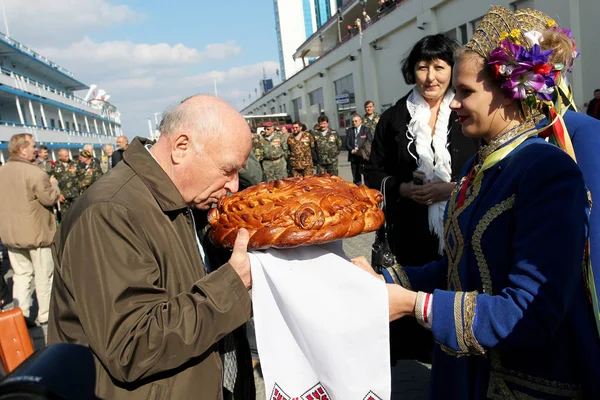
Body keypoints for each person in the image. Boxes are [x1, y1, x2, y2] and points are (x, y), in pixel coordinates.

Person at [355, 6, 600, 398]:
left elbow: (531, 312)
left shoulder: (548, 171)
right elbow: (461, 265)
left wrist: (414, 305)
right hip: (469, 376)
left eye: (465, 92)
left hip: (523, 383)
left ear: (508, 91)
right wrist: (386, 280)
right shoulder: (477, 166)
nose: (453, 104)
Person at [48, 95, 255, 400]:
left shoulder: (188, 199)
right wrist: (232, 285)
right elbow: (131, 345)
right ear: (181, 147)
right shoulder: (109, 212)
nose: (233, 185)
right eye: (227, 170)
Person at [364, 34, 478, 380]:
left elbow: (487, 167)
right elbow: (372, 172)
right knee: (412, 314)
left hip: (461, 231)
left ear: (452, 70)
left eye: (440, 67)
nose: (431, 76)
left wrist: (452, 189)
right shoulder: (394, 118)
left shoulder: (468, 111)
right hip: (409, 237)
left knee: (457, 309)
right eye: (422, 66)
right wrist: (401, 188)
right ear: (411, 70)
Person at [0, 134, 60, 327]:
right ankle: (45, 314)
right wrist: (55, 185)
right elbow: (49, 199)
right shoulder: (35, 173)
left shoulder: (2, 171)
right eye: (33, 146)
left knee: (21, 275)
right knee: (44, 276)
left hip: (11, 235)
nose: (36, 149)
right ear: (22, 150)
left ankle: (21, 313)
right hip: (37, 234)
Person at [345, 114, 372, 185]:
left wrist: (360, 150)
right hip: (353, 157)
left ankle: (367, 192)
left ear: (360, 121)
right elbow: (347, 143)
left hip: (363, 157)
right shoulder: (350, 131)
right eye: (353, 121)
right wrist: (352, 150)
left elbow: (369, 142)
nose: (354, 123)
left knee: (366, 177)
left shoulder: (366, 130)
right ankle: (358, 193)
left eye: (356, 121)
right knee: (356, 178)